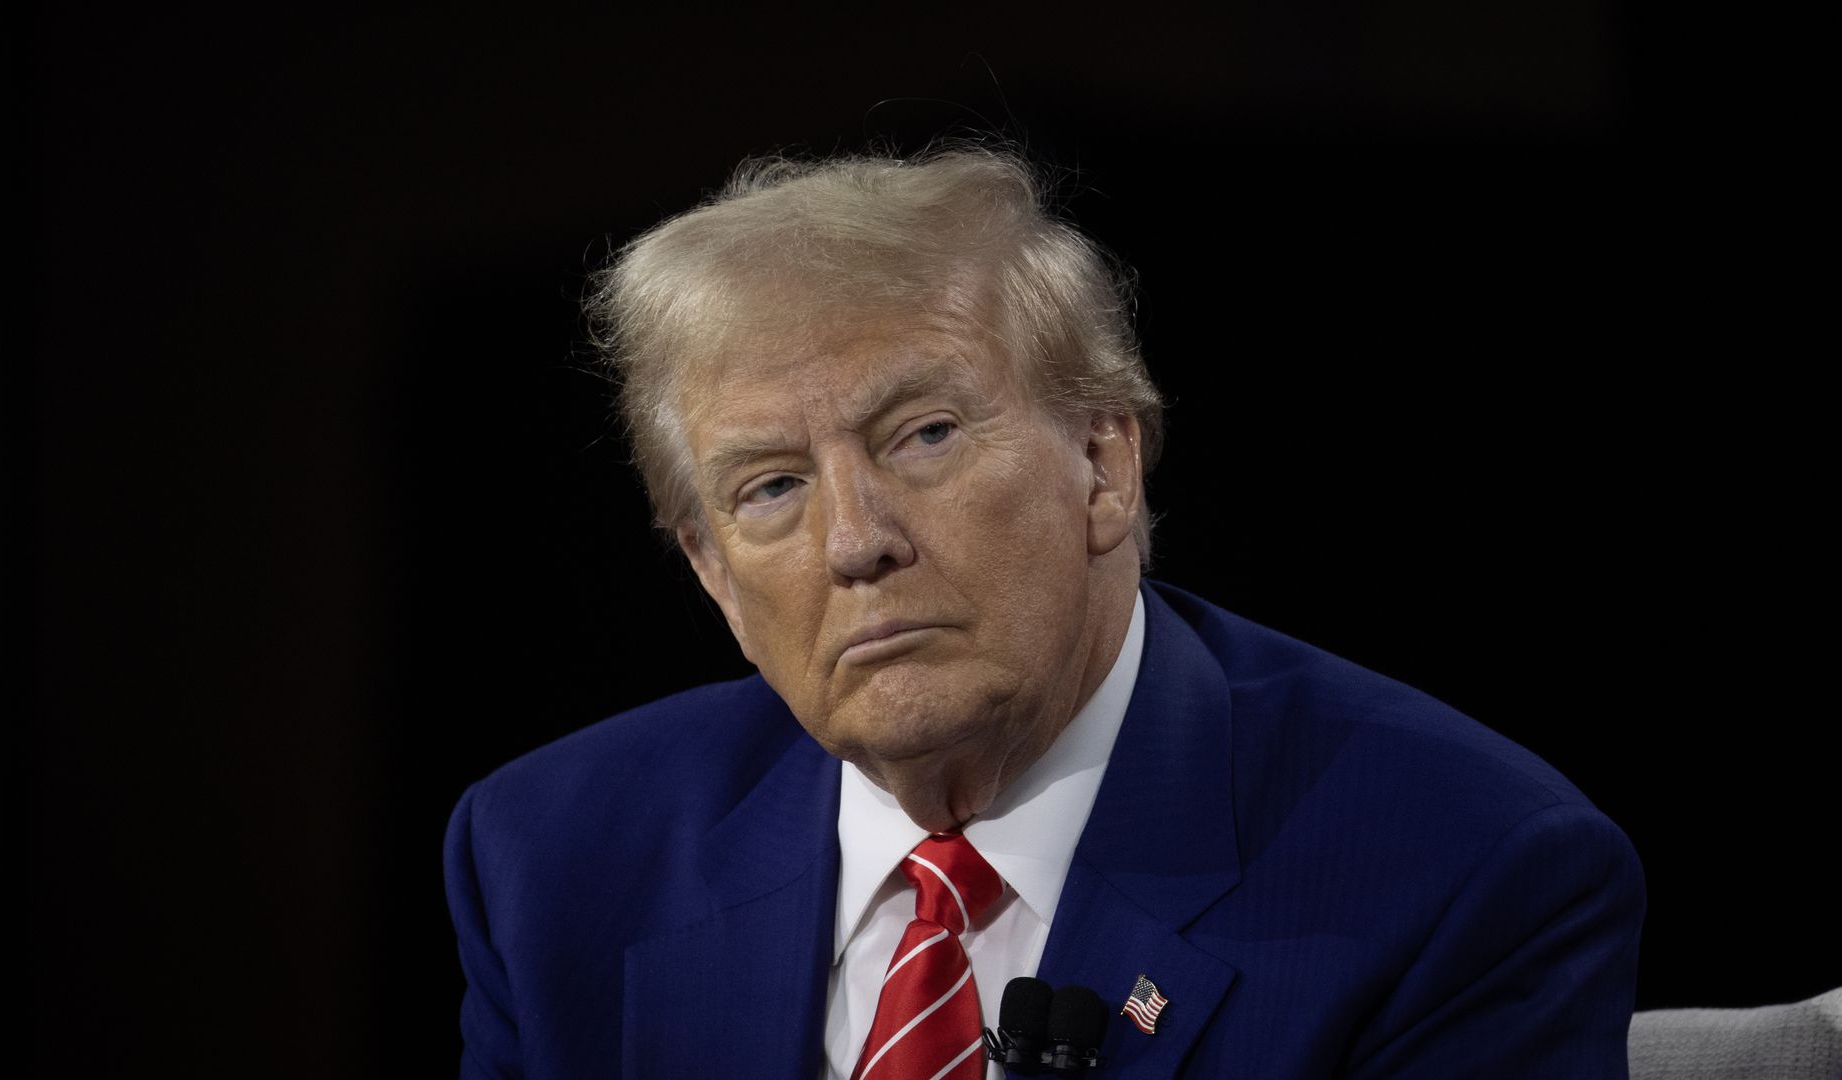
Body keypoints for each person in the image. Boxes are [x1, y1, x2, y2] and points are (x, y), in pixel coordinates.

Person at [444, 147, 1645, 1080]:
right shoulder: (558, 862)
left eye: (923, 435)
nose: (858, 541)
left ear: (1105, 463)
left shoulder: (1460, 872)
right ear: (710, 570)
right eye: (772, 488)